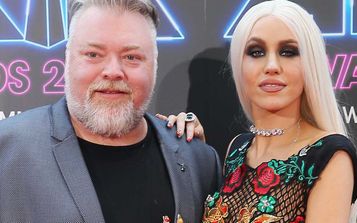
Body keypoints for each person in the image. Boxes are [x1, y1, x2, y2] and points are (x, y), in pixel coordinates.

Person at [0, 0, 221, 222]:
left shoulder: (200, 161)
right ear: (67, 60)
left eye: (131, 57)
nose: (113, 71)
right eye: (93, 54)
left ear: (154, 65)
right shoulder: (6, 150)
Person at [157, 0, 357, 222]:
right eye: (256, 52)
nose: (271, 65)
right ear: (239, 64)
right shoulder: (237, 149)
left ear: (310, 64)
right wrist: (194, 152)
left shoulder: (330, 155)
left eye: (288, 51)